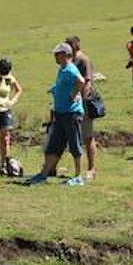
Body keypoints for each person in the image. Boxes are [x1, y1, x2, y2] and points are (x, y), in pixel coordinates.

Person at [26, 42, 86, 186]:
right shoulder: (62, 70)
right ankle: (43, 174)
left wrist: (74, 94)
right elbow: (64, 84)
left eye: (57, 54)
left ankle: (79, 177)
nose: (55, 57)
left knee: (74, 145)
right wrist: (55, 89)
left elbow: (81, 81)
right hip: (60, 113)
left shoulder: (70, 69)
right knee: (55, 145)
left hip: (71, 113)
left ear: (66, 55)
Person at [67, 36, 101, 180]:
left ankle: (92, 168)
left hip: (83, 103)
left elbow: (87, 82)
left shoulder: (83, 60)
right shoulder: (71, 61)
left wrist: (83, 100)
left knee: (88, 137)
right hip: (72, 104)